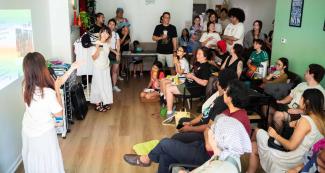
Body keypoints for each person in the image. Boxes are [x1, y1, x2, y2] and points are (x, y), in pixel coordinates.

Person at [123, 80, 251, 173]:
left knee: (165, 144)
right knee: (166, 155)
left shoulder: (236, 120)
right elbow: (208, 130)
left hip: (209, 157)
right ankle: (147, 159)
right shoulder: (229, 112)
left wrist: (208, 133)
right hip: (203, 147)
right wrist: (208, 132)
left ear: (230, 97)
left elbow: (210, 145)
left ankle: (145, 159)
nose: (223, 93)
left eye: (226, 92)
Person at [22, 52, 80, 172]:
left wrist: (72, 68)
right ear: (42, 69)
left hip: (28, 132)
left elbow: (57, 82)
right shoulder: (48, 94)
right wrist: (58, 92)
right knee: (48, 164)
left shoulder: (26, 87)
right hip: (44, 137)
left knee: (35, 163)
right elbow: (59, 121)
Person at [247, 89, 325, 173]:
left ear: (306, 102)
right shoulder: (322, 121)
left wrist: (275, 135)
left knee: (257, 131)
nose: (299, 101)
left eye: (301, 98)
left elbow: (291, 146)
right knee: (254, 146)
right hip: (304, 160)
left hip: (291, 159)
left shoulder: (305, 121)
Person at [170, 69, 238, 143]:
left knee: (175, 137)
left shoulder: (223, 103)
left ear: (219, 83)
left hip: (204, 132)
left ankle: (189, 143)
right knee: (182, 120)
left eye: (217, 79)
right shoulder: (220, 96)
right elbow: (204, 114)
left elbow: (209, 127)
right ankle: (185, 140)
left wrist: (190, 129)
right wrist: (190, 123)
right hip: (201, 125)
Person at [174, 115, 252, 173]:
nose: (209, 131)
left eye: (212, 129)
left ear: (216, 138)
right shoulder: (223, 156)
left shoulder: (219, 167)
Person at [271, 64, 325, 131]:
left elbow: (318, 112)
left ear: (312, 74)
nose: (305, 72)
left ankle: (276, 138)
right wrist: (280, 101)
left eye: (307, 71)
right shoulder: (302, 84)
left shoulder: (320, 92)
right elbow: (290, 96)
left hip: (300, 114)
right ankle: (271, 132)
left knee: (278, 115)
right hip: (289, 107)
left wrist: (300, 111)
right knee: (268, 107)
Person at [164, 47, 212, 122]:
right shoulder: (198, 64)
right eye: (197, 54)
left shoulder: (206, 67)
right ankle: (170, 108)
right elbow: (193, 75)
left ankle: (169, 113)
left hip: (194, 89)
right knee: (167, 85)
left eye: (199, 54)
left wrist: (192, 76)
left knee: (169, 88)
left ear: (205, 56)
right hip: (188, 85)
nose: (197, 56)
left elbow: (204, 83)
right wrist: (190, 75)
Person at [90, 27, 113, 112]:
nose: (104, 34)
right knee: (98, 85)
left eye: (107, 33)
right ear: (100, 33)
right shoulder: (97, 43)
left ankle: (105, 101)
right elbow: (94, 57)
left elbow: (106, 56)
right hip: (98, 67)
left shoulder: (107, 44)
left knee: (106, 85)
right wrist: (98, 47)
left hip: (106, 67)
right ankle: (97, 104)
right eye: (103, 32)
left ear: (109, 35)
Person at [107, 18, 123, 92]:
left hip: (116, 52)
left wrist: (118, 53)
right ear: (108, 25)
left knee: (115, 71)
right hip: (107, 53)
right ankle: (107, 86)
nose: (111, 26)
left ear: (115, 26)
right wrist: (115, 52)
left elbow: (118, 45)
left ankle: (114, 86)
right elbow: (107, 46)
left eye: (113, 24)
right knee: (107, 71)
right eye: (110, 24)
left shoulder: (116, 34)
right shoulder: (105, 33)